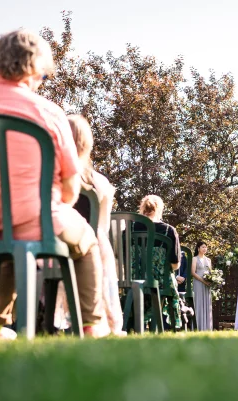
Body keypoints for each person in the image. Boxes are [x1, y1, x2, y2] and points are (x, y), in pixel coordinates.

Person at [0, 29, 105, 338]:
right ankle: (92, 326)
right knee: (88, 242)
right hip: (37, 220)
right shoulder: (48, 112)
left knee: (8, 236)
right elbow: (71, 189)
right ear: (32, 69)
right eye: (42, 75)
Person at [67, 114, 124, 335]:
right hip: (94, 246)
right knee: (102, 246)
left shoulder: (52, 177)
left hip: (58, 243)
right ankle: (102, 320)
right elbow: (103, 227)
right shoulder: (101, 183)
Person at [135, 194, 182, 330]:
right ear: (160, 210)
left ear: (142, 208)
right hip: (161, 282)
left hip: (134, 281)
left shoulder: (130, 228)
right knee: (167, 281)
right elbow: (175, 265)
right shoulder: (169, 230)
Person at [191, 241, 213, 331]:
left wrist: (212, 280)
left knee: (207, 304)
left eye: (206, 247)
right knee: (198, 303)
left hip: (207, 284)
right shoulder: (194, 259)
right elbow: (193, 272)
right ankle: (198, 326)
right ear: (198, 248)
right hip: (198, 283)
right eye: (203, 247)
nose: (205, 249)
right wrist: (203, 281)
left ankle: (207, 327)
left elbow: (211, 273)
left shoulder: (208, 260)